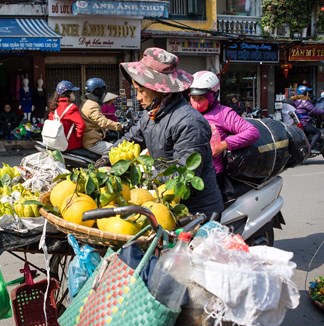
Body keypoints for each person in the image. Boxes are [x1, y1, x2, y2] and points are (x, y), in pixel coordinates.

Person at [96, 48, 224, 219]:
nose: (138, 98)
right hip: (166, 203)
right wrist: (106, 159)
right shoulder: (150, 115)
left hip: (195, 211)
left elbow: (183, 178)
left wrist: (143, 172)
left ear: (160, 91)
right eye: (136, 91)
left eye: (141, 91)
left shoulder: (189, 122)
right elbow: (130, 139)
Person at [189, 71, 260, 202]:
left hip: (213, 175)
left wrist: (224, 145)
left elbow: (252, 132)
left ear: (213, 96)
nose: (196, 103)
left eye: (201, 99)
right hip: (189, 174)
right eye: (193, 98)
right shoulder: (187, 112)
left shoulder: (224, 113)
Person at [80, 78, 123, 155]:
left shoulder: (86, 102)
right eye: (102, 91)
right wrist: (119, 126)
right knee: (119, 152)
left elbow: (94, 121)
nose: (104, 94)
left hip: (91, 138)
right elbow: (102, 122)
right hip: (92, 142)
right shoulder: (91, 105)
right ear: (96, 91)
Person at [47, 80, 85, 150]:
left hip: (54, 143)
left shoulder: (54, 106)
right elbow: (81, 125)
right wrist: (78, 137)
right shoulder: (71, 107)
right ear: (69, 93)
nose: (74, 94)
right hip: (69, 144)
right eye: (72, 92)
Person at [292, 85, 324, 154]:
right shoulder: (304, 102)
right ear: (305, 93)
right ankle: (311, 147)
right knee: (317, 132)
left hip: (300, 123)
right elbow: (315, 111)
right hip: (305, 123)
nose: (309, 94)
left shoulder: (296, 101)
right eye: (308, 92)